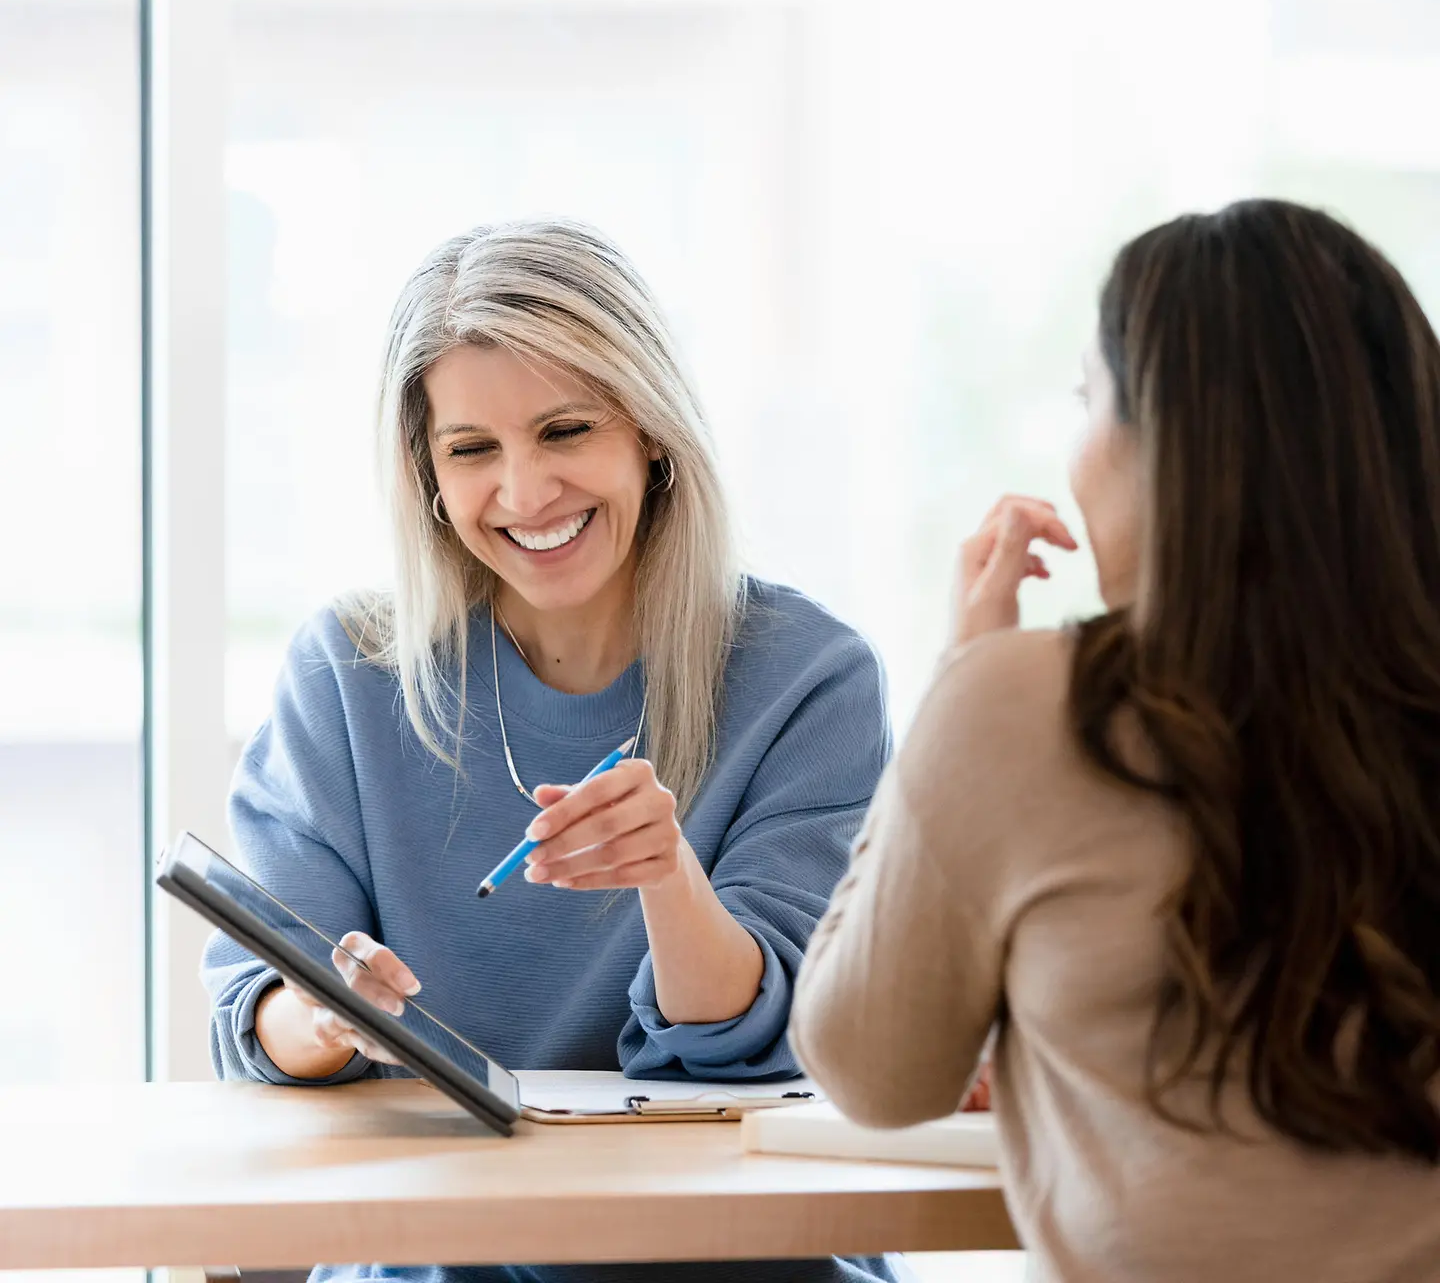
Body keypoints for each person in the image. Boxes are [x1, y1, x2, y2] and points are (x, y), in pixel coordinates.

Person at [202, 219, 897, 1283]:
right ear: (427, 478)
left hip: (733, 1268)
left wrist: (668, 877)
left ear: (651, 433)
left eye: (566, 431)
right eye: (472, 450)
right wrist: (331, 1013)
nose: (525, 496)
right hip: (435, 1263)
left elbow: (767, 1043)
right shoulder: (350, 672)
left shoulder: (808, 677)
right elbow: (253, 1009)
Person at [791, 199, 1440, 1282]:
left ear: (1169, 446)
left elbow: (873, 1071)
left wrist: (960, 685)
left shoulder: (1021, 707)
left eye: (1089, 398)